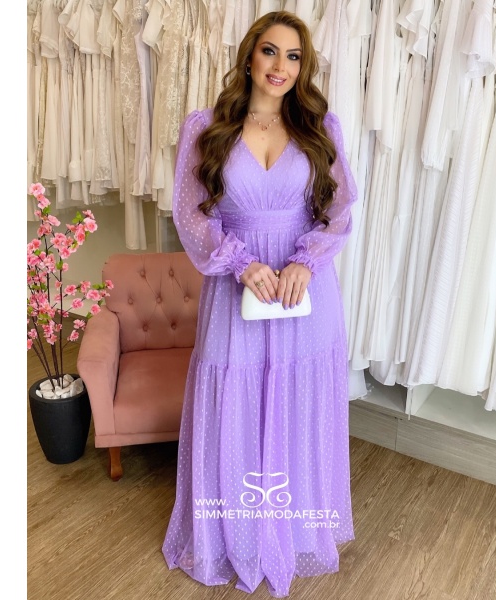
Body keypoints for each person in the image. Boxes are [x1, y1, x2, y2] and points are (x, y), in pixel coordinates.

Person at [162, 10, 358, 597]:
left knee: (299, 406)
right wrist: (239, 262)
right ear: (249, 56)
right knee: (234, 405)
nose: (281, 66)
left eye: (294, 56)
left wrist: (305, 261)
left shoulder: (320, 126)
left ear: (304, 67)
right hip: (235, 290)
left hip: (304, 292)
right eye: (270, 51)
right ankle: (236, 537)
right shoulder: (205, 127)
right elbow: (190, 213)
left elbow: (340, 210)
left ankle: (291, 531)